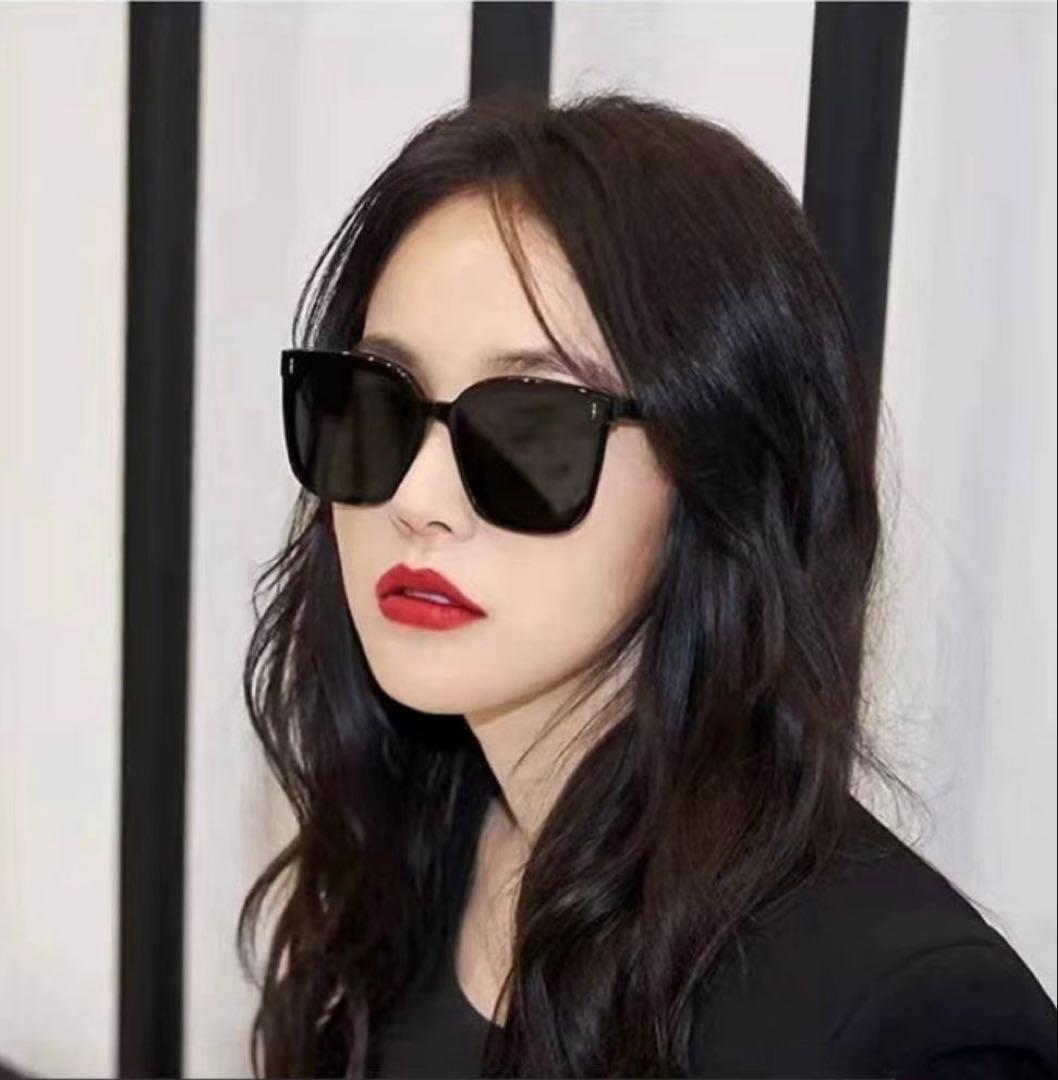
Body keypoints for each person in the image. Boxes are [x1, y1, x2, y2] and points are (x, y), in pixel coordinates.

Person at [237, 91, 1057, 1078]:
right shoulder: (409, 849)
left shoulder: (899, 1023)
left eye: (531, 426)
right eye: (377, 401)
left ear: (717, 469)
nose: (415, 499)